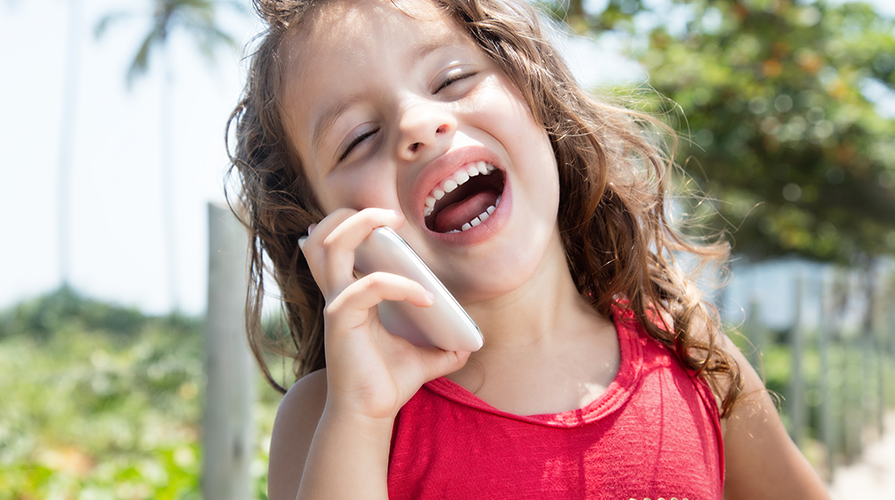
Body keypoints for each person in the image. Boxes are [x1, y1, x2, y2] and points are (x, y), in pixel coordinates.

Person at [227, 0, 831, 498]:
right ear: (323, 229)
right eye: (358, 138)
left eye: (452, 79)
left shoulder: (693, 354)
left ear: (537, 94)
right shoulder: (338, 417)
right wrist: (359, 419)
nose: (417, 123)